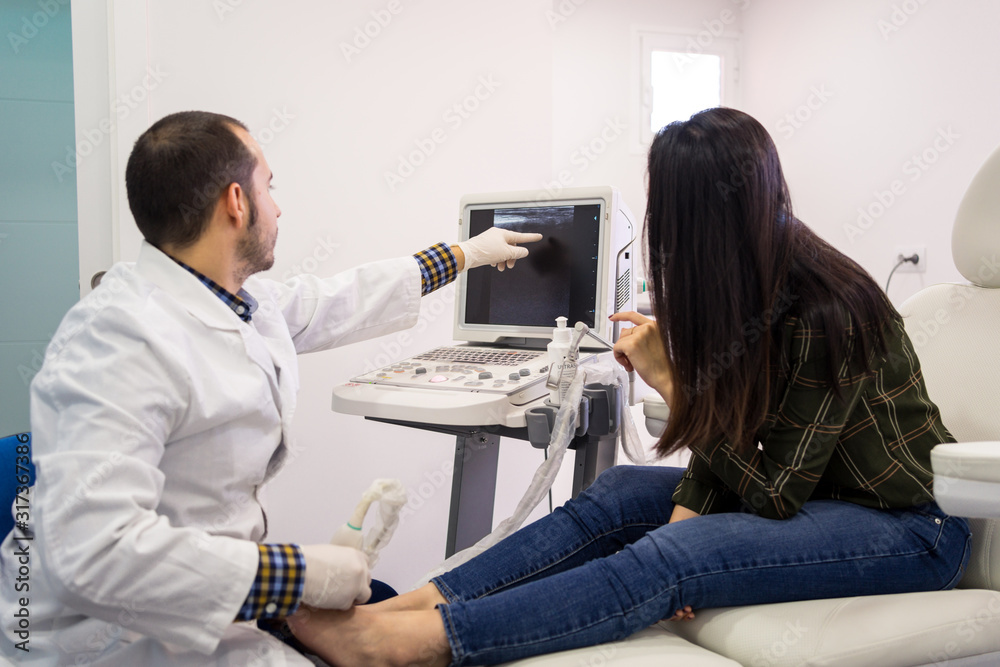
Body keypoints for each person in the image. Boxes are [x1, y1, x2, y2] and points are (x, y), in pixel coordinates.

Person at [284, 107, 973, 667]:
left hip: (911, 527)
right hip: (817, 494)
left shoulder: (831, 307)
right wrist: (686, 509)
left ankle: (414, 645)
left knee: (673, 557)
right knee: (615, 496)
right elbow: (728, 453)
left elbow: (770, 491)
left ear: (699, 220)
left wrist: (672, 386)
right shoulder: (739, 285)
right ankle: (399, 608)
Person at [0, 110, 540, 665]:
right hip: (106, 638)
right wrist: (295, 574)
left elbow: (334, 299)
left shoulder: (231, 302)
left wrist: (466, 255)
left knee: (382, 604)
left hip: (198, 598)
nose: (278, 207)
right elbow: (93, 556)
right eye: (269, 187)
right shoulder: (118, 337)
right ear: (237, 202)